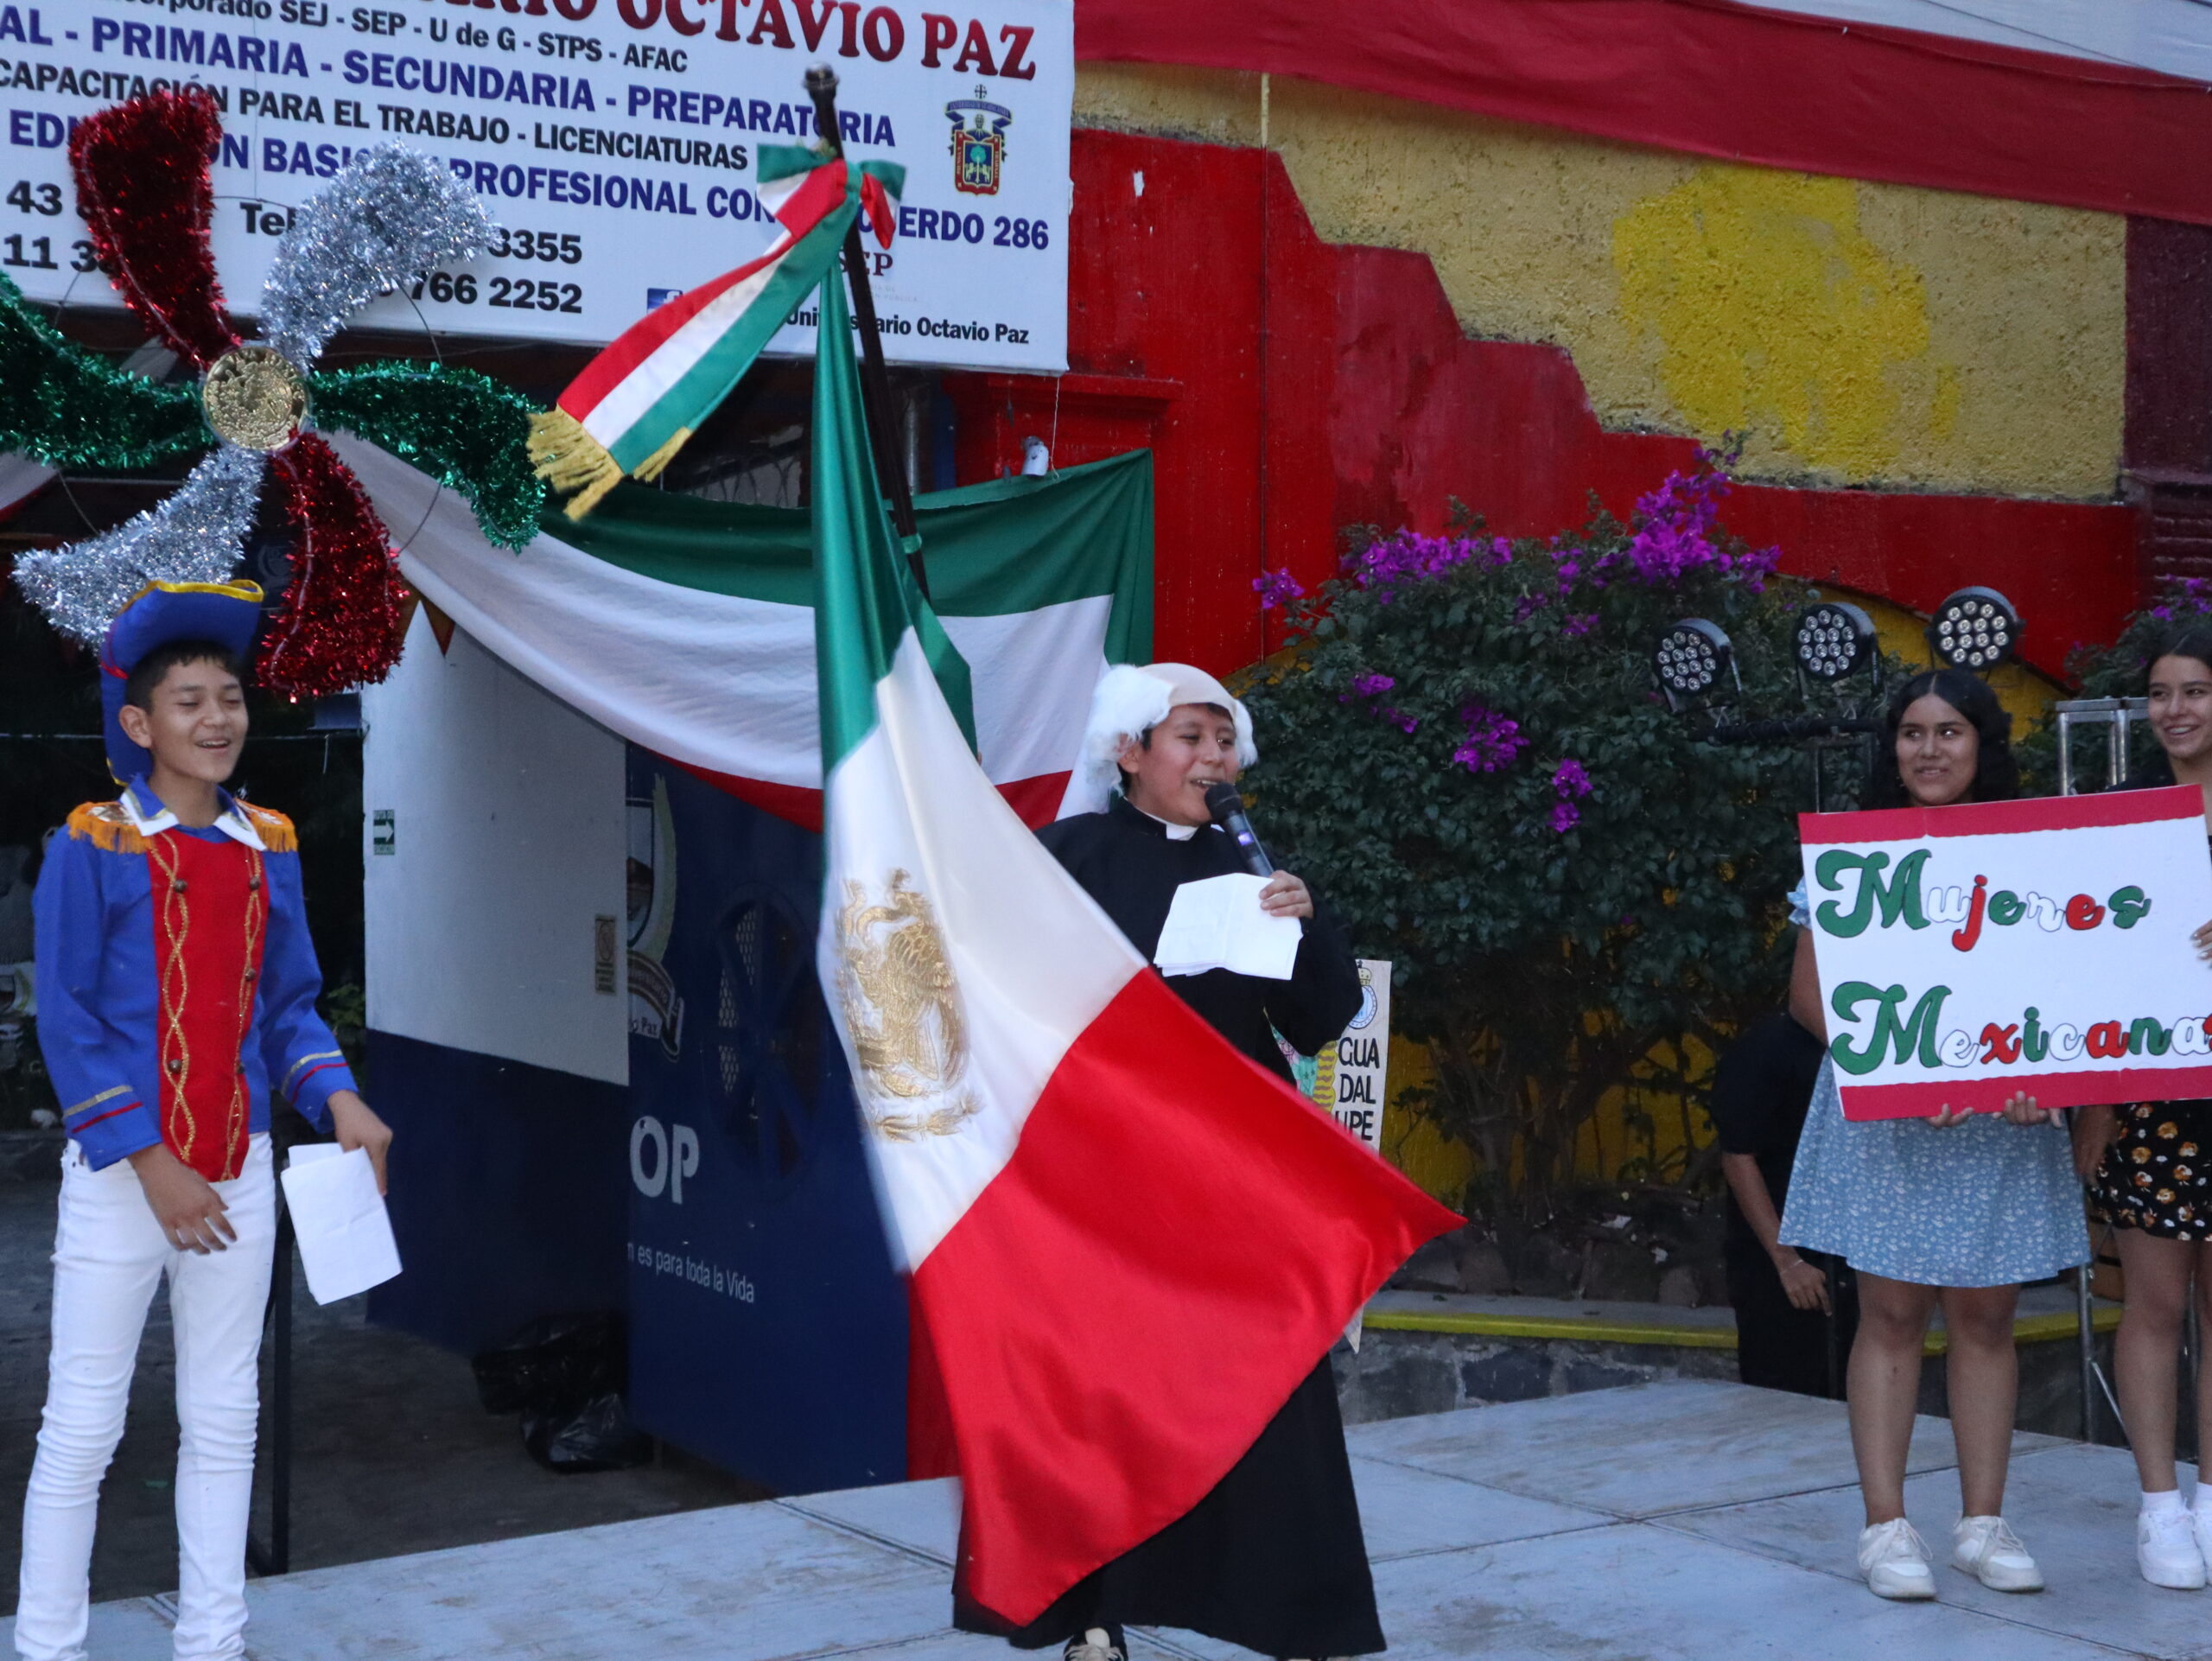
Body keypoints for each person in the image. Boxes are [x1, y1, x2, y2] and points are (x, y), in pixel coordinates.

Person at [954, 663, 1375, 1661]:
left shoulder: (1254, 869)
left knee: (1268, 1383)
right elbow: (996, 992)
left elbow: (1316, 1018)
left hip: (1235, 1172)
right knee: (1100, 1395)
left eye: (1225, 740)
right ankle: (1090, 1611)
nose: (1214, 759)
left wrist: (1309, 926)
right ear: (1128, 751)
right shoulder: (1068, 855)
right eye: (1190, 737)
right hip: (1104, 1172)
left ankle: (1291, 1614)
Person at [16, 581, 392, 1661]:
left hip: (238, 1170)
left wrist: (341, 1099)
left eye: (229, 696)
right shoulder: (91, 842)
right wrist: (150, 1161)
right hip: (127, 1178)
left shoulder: (269, 839)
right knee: (83, 1428)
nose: (218, 717)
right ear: (138, 725)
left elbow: (286, 1008)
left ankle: (214, 1641)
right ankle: (47, 1645)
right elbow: (72, 1021)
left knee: (226, 1418)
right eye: (189, 700)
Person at [1777, 668, 2088, 1601]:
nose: (1928, 749)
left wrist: (2045, 1079)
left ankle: (1983, 1522)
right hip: (1888, 1109)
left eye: (1948, 731)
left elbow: (2065, 993)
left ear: (1980, 743)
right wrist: (1904, 1067)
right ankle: (1885, 1527)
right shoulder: (1850, 854)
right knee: (1892, 1313)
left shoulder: (2038, 852)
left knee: (1988, 1317)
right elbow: (1807, 997)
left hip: (1998, 1115)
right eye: (1911, 732)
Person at [2075, 621, 2212, 1589]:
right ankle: (2160, 1504)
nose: (2175, 709)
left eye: (2194, 690)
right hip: (2152, 1090)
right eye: (2160, 692)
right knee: (2155, 1301)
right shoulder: (2116, 813)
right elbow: (2079, 956)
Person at [1712, 1009, 1857, 1397]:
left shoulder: (1873, 1047)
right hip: (1777, 1258)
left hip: (1849, 1258)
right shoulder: (1766, 1049)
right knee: (1781, 1392)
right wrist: (1786, 1260)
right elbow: (1737, 1156)